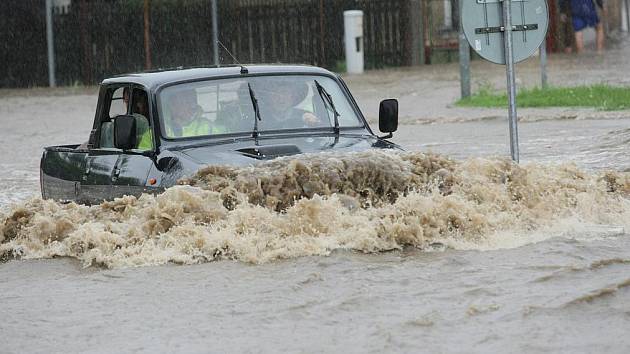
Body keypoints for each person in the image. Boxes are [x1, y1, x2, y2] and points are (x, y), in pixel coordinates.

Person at [257, 79, 323, 130]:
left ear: (293, 97)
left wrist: (312, 121)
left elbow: (321, 128)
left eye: (284, 92)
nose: (280, 98)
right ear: (269, 98)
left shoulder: (305, 116)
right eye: (274, 93)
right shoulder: (259, 118)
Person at [161, 88, 226, 138]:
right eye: (187, 102)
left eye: (194, 102)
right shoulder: (161, 127)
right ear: (173, 106)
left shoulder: (206, 126)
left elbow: (227, 137)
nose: (193, 106)